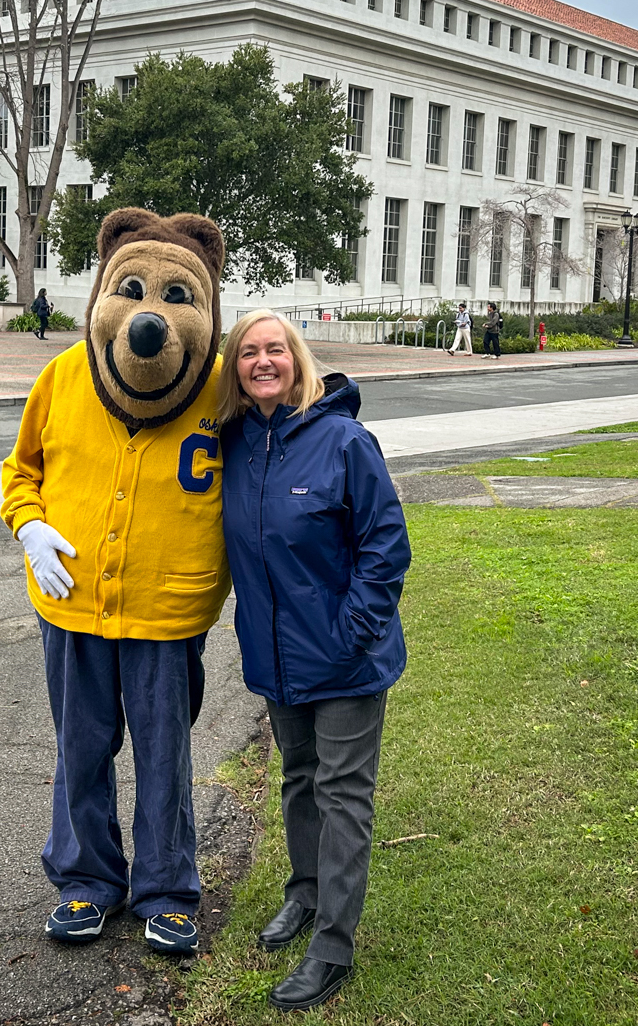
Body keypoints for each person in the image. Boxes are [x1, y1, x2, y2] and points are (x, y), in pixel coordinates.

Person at [1, 209, 232, 957]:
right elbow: (21, 469)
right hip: (71, 603)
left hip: (167, 608)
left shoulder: (221, 388)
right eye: (130, 290)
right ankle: (86, 879)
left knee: (165, 752)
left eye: (175, 297)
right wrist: (28, 524)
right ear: (104, 289)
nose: (148, 318)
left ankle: (167, 889)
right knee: (82, 744)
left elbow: (288, 422)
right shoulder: (63, 375)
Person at [218, 310, 411, 1013]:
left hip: (345, 661)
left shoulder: (344, 441)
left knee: (343, 797)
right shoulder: (236, 442)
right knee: (298, 781)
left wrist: (350, 630)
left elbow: (386, 545)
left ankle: (333, 944)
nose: (262, 361)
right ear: (235, 368)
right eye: (248, 353)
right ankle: (303, 895)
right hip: (276, 659)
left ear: (297, 361)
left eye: (275, 350)